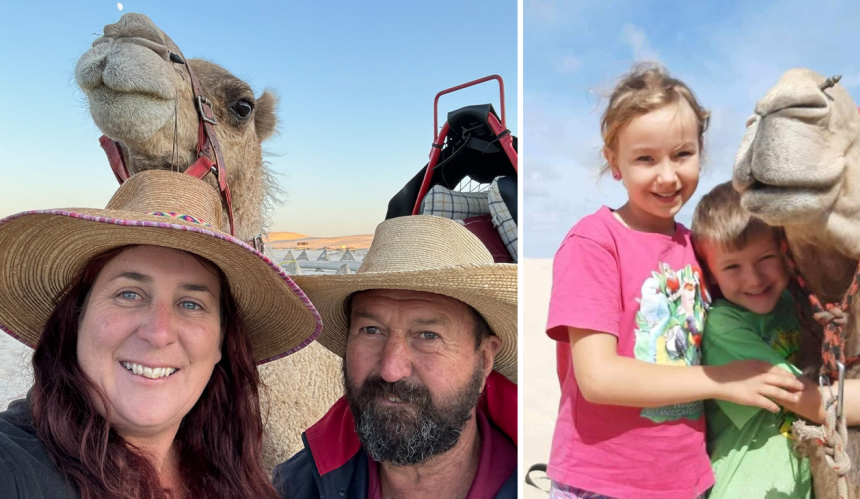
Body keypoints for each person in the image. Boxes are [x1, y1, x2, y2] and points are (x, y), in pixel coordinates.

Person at [544, 63, 805, 499]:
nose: (667, 175)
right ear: (614, 163)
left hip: (688, 481)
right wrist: (724, 379)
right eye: (645, 158)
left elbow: (763, 296)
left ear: (701, 151)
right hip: (603, 482)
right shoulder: (594, 241)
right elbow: (599, 377)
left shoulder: (698, 247)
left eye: (682, 154)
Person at [0, 170, 323, 499]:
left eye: (191, 304)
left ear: (221, 343)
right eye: (129, 294)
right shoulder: (12, 466)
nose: (158, 333)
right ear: (76, 320)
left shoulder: (231, 471)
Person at [691, 181, 860, 499]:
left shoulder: (798, 305)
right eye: (732, 266)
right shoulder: (725, 325)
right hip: (748, 489)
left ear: (787, 253)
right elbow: (813, 402)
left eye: (766, 258)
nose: (754, 278)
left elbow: (857, 348)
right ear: (711, 272)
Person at [272, 214, 517, 499]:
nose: (391, 370)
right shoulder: (293, 487)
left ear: (485, 359)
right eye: (371, 330)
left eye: (428, 335)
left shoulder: (543, 484)